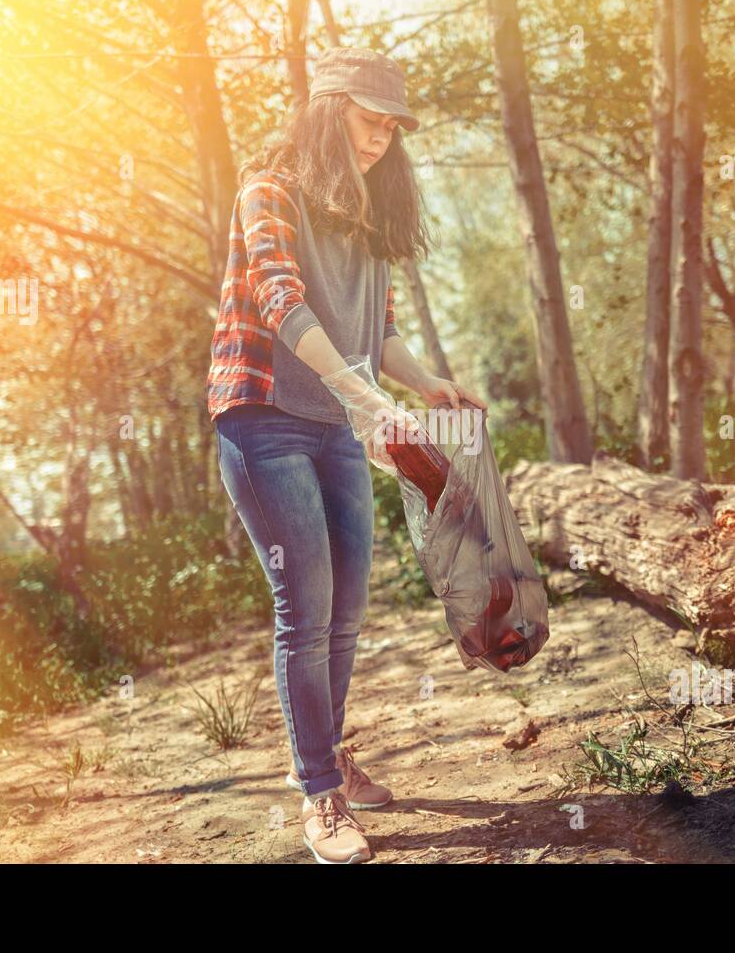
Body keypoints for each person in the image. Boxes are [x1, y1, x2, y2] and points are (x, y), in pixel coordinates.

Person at [206, 47, 486, 864]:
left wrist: (429, 384)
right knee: (308, 606)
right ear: (329, 111)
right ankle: (320, 797)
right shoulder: (267, 189)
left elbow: (381, 332)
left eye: (393, 129)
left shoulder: (369, 213)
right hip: (264, 420)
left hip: (339, 423)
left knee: (351, 605)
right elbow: (280, 301)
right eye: (370, 123)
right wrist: (365, 398)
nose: (380, 141)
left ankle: (327, 752)